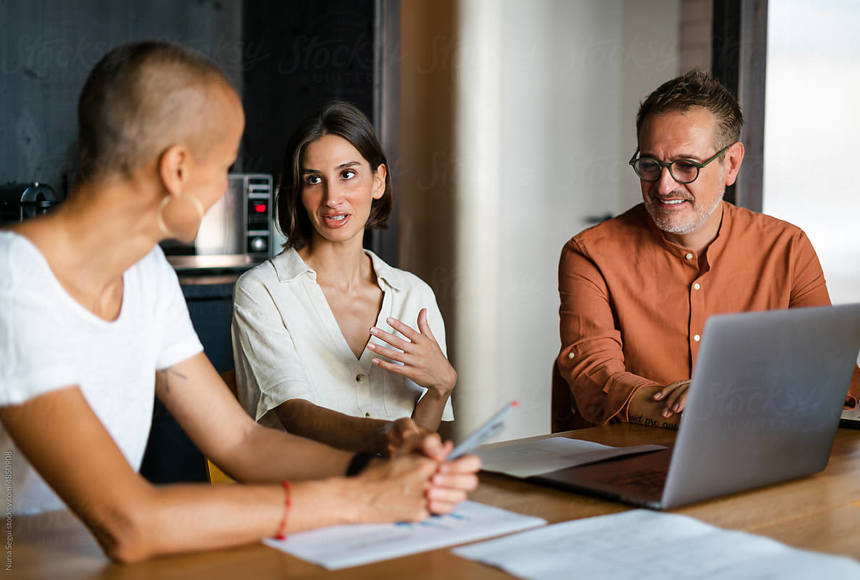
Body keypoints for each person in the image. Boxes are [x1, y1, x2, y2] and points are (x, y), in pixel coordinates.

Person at [0, 41, 479, 563]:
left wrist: (378, 469)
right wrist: (359, 498)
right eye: (225, 164)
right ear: (178, 169)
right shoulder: (14, 281)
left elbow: (242, 445)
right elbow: (128, 523)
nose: (224, 192)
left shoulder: (146, 275)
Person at [557, 70, 860, 428]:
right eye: (650, 165)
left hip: (759, 457)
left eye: (686, 166)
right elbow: (595, 378)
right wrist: (701, 406)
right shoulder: (590, 254)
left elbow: (828, 374)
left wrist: (726, 397)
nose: (664, 186)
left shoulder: (787, 248)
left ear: (730, 164)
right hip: (630, 463)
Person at [232, 102, 456, 457]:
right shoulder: (263, 291)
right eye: (313, 180)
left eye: (347, 174)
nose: (332, 198)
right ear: (299, 192)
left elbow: (413, 449)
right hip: (301, 499)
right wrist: (386, 435)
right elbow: (296, 416)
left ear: (378, 181)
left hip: (389, 496)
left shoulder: (414, 295)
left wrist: (441, 388)